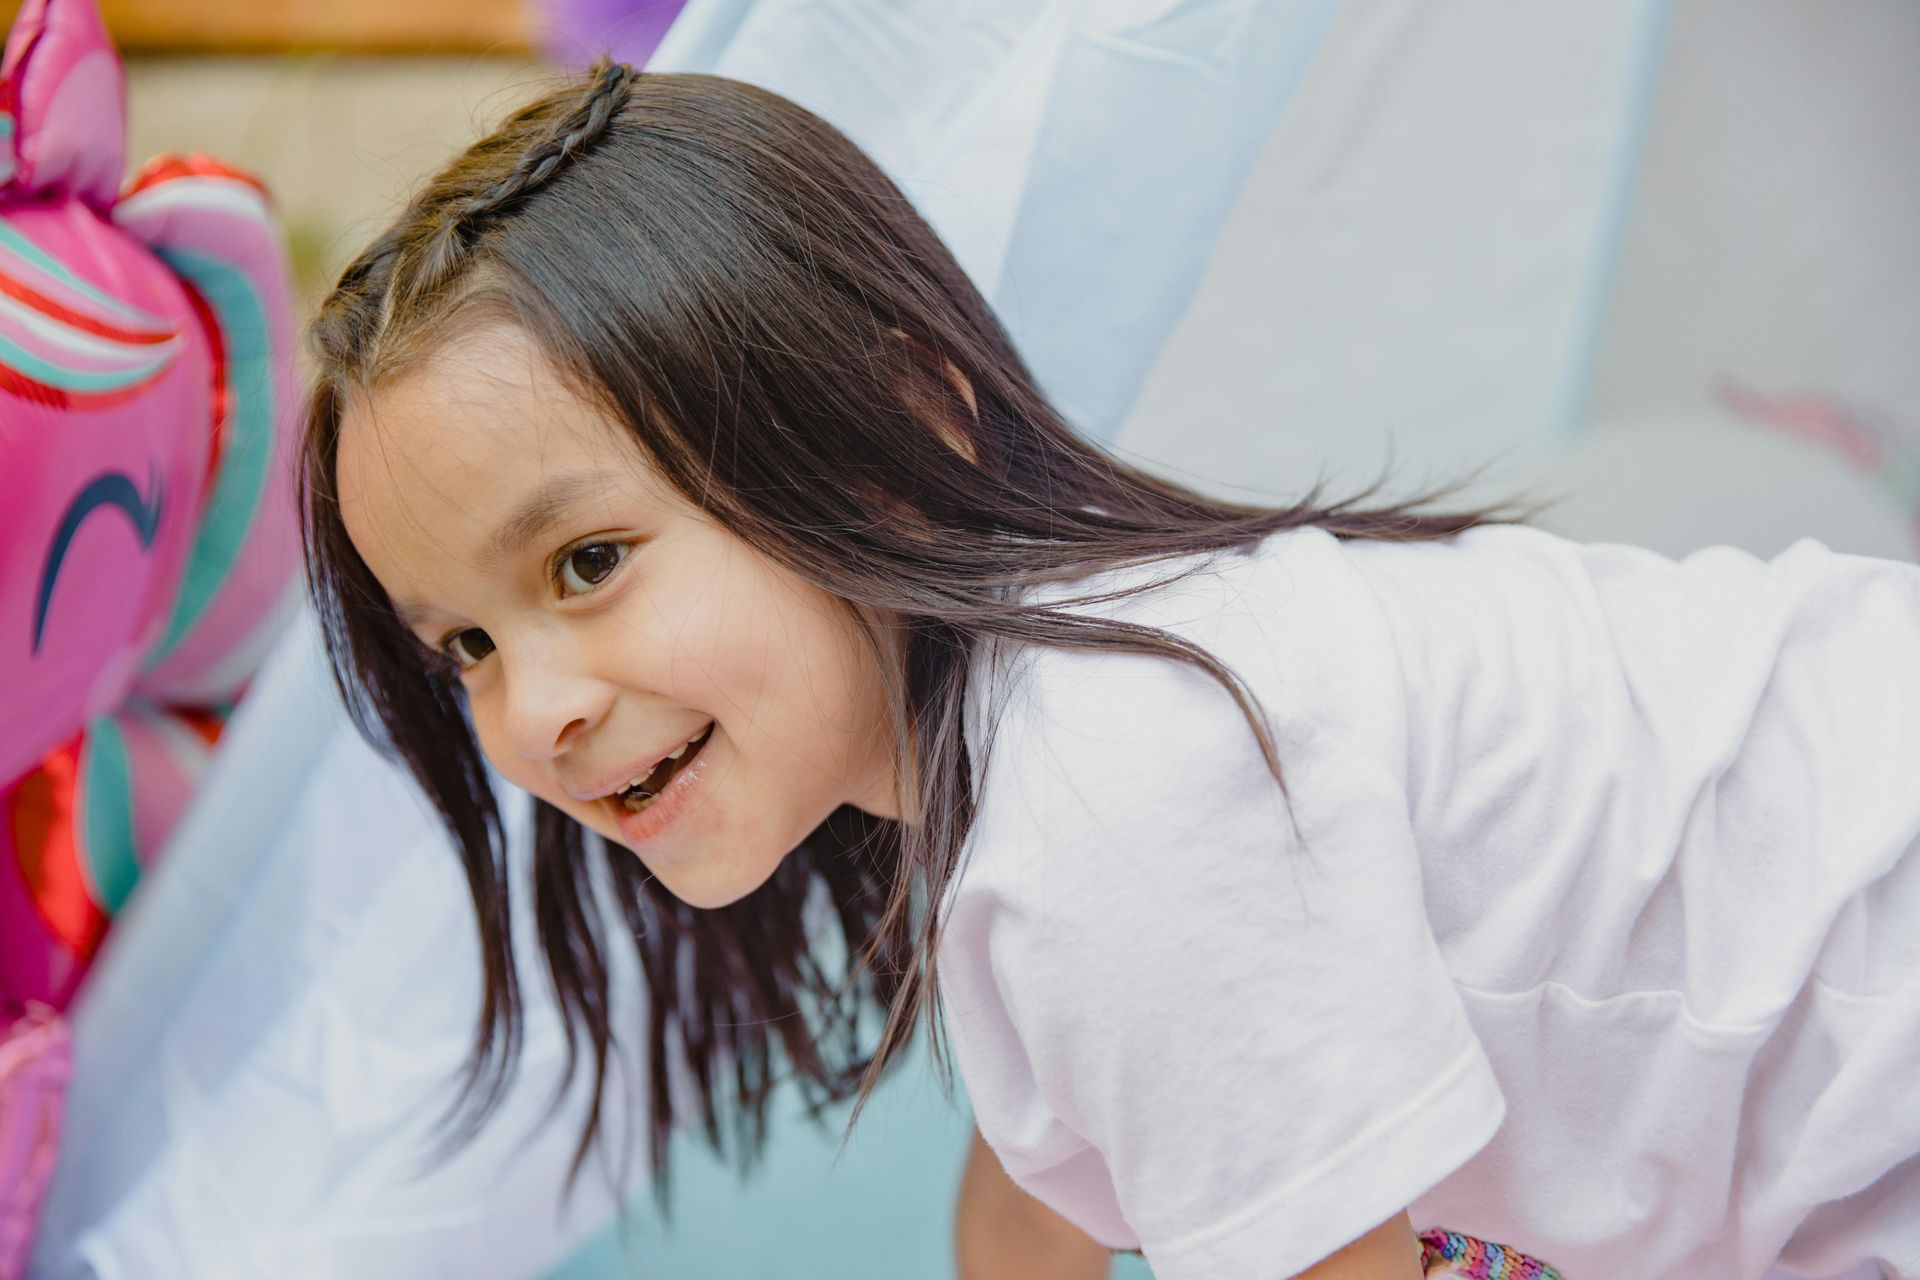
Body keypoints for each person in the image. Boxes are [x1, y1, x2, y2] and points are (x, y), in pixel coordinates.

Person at [298, 60, 1920, 1279]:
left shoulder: (1117, 804)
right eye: (466, 647)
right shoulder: (1059, 751)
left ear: (894, 431)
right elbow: (1033, 1202)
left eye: (589, 563)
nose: (537, 709)